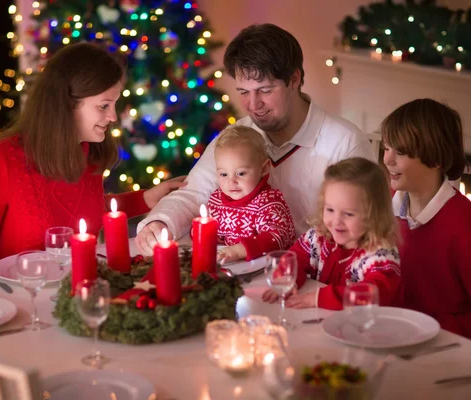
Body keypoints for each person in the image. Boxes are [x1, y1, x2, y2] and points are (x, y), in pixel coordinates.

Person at [0, 43, 184, 294]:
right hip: (21, 299)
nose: (112, 116)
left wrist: (147, 198)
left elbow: (87, 208)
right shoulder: (6, 161)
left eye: (114, 104)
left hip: (76, 293)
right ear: (67, 105)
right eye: (103, 106)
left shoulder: (91, 153)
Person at [135, 23, 374, 255]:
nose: (253, 105)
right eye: (243, 92)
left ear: (294, 79)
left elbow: (365, 235)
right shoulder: (236, 136)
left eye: (265, 90)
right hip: (240, 273)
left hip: (313, 278)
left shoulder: (345, 143)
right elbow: (193, 194)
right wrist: (160, 223)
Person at [382, 98, 471, 346]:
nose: (387, 160)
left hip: (440, 353)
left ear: (435, 160)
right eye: (386, 148)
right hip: (391, 337)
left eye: (400, 152)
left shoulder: (466, 230)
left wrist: (429, 330)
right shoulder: (388, 204)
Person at [261, 157, 401, 310]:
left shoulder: (380, 256)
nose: (336, 221)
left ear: (374, 215)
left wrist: (318, 298)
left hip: (363, 329)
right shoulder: (319, 238)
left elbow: (372, 294)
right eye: (330, 210)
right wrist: (286, 279)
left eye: (348, 214)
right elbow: (294, 258)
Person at [206, 125, 295, 264]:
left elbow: (277, 237)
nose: (232, 181)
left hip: (270, 268)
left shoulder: (268, 202)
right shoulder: (217, 200)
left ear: (264, 168)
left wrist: (237, 251)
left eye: (241, 173)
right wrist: (206, 234)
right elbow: (205, 225)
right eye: (223, 174)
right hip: (233, 266)